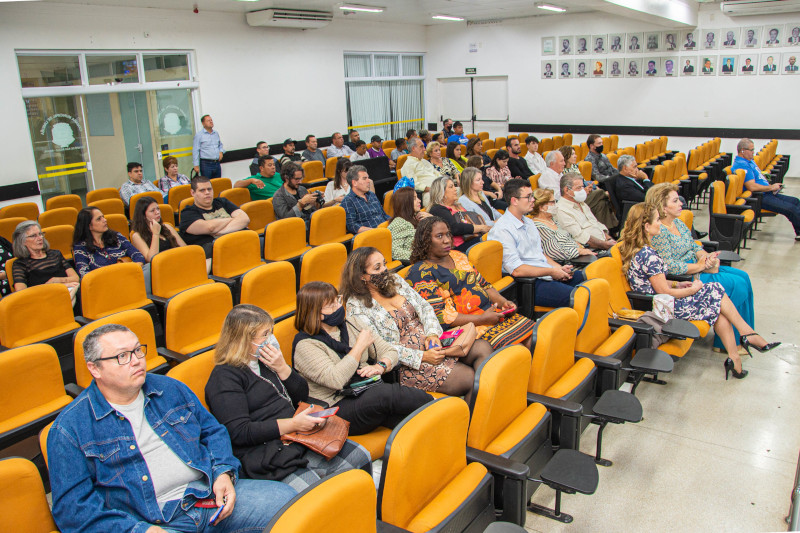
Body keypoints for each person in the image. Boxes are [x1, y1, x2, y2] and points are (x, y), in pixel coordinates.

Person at [47, 323, 297, 532]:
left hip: (207, 495)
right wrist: (139, 530)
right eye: (123, 356)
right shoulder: (70, 429)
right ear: (95, 368)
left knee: (289, 504)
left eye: (138, 351)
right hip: (149, 520)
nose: (136, 361)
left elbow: (213, 432)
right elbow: (73, 509)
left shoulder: (169, 388)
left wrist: (223, 473)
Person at [204, 304, 371, 490]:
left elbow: (301, 394)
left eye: (271, 332)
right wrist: (293, 424)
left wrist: (282, 368)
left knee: (360, 457)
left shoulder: (266, 360)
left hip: (298, 436)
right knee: (316, 492)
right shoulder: (224, 378)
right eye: (265, 334)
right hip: (266, 450)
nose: (271, 339)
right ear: (243, 340)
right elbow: (240, 432)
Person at [619, 203, 779, 380]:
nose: (660, 223)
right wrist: (692, 289)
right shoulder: (648, 254)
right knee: (716, 293)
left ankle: (737, 354)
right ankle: (746, 338)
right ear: (646, 226)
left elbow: (659, 284)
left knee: (716, 300)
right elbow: (663, 292)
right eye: (657, 220)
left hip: (660, 301)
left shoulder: (640, 250)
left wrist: (678, 285)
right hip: (662, 308)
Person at [342, 248, 492, 401]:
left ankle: (492, 405)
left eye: (384, 264)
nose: (384, 270)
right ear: (361, 276)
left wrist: (432, 334)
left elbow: (425, 307)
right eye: (377, 268)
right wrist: (423, 357)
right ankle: (472, 422)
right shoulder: (356, 306)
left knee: (483, 349)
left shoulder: (394, 281)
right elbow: (378, 349)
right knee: (469, 380)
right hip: (407, 362)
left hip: (431, 341)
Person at [293, 281, 432, 434]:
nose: (339, 307)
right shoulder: (305, 345)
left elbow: (389, 351)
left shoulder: (352, 323)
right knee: (385, 394)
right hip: (338, 406)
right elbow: (336, 380)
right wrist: (359, 347)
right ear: (316, 313)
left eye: (337, 300)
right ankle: (435, 404)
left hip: (366, 390)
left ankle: (445, 419)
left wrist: (381, 366)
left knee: (416, 423)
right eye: (331, 305)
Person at [646, 183, 755, 352]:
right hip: (686, 278)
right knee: (736, 284)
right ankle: (727, 343)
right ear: (663, 207)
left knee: (743, 277)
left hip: (699, 268)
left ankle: (745, 336)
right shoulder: (660, 232)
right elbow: (669, 266)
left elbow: (694, 246)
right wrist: (699, 266)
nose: (681, 203)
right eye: (675, 201)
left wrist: (706, 257)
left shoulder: (679, 224)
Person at [408, 216, 535, 352]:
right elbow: (440, 317)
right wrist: (481, 319)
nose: (447, 240)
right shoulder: (420, 272)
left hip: (489, 314)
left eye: (448, 235)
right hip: (465, 327)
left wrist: (504, 303)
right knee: (519, 350)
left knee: (536, 338)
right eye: (439, 236)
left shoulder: (458, 255)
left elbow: (484, 285)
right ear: (425, 241)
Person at [487, 179, 586, 308]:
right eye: (528, 197)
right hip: (531, 283)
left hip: (546, 273)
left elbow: (540, 254)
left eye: (532, 195)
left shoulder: (528, 222)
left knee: (592, 281)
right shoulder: (502, 230)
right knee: (582, 297)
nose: (533, 200)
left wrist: (558, 268)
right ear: (514, 201)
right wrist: (551, 272)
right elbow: (517, 270)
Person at [732, 138, 800, 240]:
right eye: (751, 150)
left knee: (795, 201)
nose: (753, 153)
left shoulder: (749, 161)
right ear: (742, 151)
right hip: (759, 197)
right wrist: (771, 187)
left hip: (766, 193)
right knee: (791, 209)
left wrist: (771, 187)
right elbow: (751, 186)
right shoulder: (742, 165)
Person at [179, 176, 250, 256]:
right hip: (215, 253)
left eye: (209, 189)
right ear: (193, 193)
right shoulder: (188, 213)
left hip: (238, 242)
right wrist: (232, 219)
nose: (207, 192)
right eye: (202, 190)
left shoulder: (222, 201)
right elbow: (210, 227)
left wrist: (220, 232)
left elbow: (245, 219)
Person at [72, 207, 146, 279]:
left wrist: (130, 271)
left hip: (128, 277)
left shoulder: (116, 236)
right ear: (89, 226)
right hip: (104, 286)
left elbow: (138, 255)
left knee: (149, 268)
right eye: (99, 219)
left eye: (103, 217)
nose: (104, 220)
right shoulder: (80, 248)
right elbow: (84, 274)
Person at [11, 220, 79, 296]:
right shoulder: (20, 264)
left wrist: (57, 280)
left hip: (67, 292)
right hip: (43, 299)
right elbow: (21, 293)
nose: (40, 238)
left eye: (40, 234)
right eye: (33, 236)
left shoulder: (55, 254)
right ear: (22, 241)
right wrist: (56, 286)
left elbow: (75, 278)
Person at [531, 188, 595, 263]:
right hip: (568, 263)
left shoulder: (552, 220)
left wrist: (581, 248)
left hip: (581, 256)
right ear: (541, 207)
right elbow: (553, 252)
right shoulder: (538, 227)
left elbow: (569, 239)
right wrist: (579, 251)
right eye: (552, 202)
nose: (556, 205)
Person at [427, 176, 490, 252]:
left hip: (473, 238)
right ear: (441, 192)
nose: (455, 189)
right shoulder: (437, 209)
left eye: (454, 186)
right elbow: (454, 228)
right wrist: (481, 228)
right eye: (451, 187)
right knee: (490, 239)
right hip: (458, 246)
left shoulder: (458, 206)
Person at [557, 173, 616, 251]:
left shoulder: (582, 203)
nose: (582, 190)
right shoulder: (561, 210)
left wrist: (609, 239)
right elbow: (581, 237)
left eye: (582, 187)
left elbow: (595, 223)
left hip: (604, 244)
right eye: (578, 188)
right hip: (592, 250)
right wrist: (605, 245)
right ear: (567, 190)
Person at [130, 196, 188, 263]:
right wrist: (155, 234)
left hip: (177, 261)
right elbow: (151, 259)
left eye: (158, 209)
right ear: (143, 216)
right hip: (160, 268)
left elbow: (185, 248)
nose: (157, 212)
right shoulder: (137, 236)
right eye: (152, 211)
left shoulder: (167, 226)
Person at [341, 165, 390, 234]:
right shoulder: (348, 201)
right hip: (370, 235)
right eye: (364, 178)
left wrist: (395, 222)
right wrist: (375, 231)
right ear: (354, 183)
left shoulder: (372, 195)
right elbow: (352, 226)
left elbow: (384, 215)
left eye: (368, 178)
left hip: (386, 230)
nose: (368, 181)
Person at [388, 187, 431, 262]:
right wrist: (420, 256)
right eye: (414, 198)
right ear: (405, 202)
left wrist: (431, 218)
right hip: (418, 263)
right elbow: (395, 252)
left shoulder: (416, 217)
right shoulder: (399, 223)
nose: (419, 201)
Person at [272, 163, 320, 228]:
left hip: (309, 224)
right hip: (294, 228)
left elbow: (311, 210)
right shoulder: (278, 196)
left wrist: (315, 203)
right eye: (297, 179)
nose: (300, 182)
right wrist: (300, 205)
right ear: (286, 178)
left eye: (301, 179)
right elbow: (285, 218)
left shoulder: (302, 189)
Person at [403, 137, 441, 206]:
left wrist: (444, 184)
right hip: (427, 193)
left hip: (440, 187)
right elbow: (414, 184)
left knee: (459, 190)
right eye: (421, 147)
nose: (424, 149)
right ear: (413, 148)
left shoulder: (424, 161)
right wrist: (432, 189)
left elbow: (437, 173)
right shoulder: (408, 165)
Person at [192, 114, 224, 179]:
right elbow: (195, 150)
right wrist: (196, 165)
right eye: (208, 120)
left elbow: (220, 145)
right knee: (207, 184)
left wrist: (221, 151)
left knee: (218, 183)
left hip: (217, 163)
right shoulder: (199, 135)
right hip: (206, 164)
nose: (211, 121)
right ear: (203, 123)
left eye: (211, 120)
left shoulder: (216, 133)